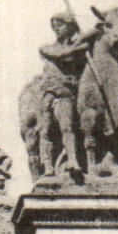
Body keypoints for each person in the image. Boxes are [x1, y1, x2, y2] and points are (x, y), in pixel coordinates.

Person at [37, 12, 100, 177]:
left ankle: (72, 160)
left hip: (64, 92)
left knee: (67, 127)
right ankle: (48, 166)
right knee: (45, 130)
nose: (57, 29)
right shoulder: (47, 48)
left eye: (61, 25)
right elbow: (61, 55)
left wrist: (91, 35)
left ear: (71, 27)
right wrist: (82, 44)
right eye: (54, 26)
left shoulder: (80, 50)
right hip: (47, 92)